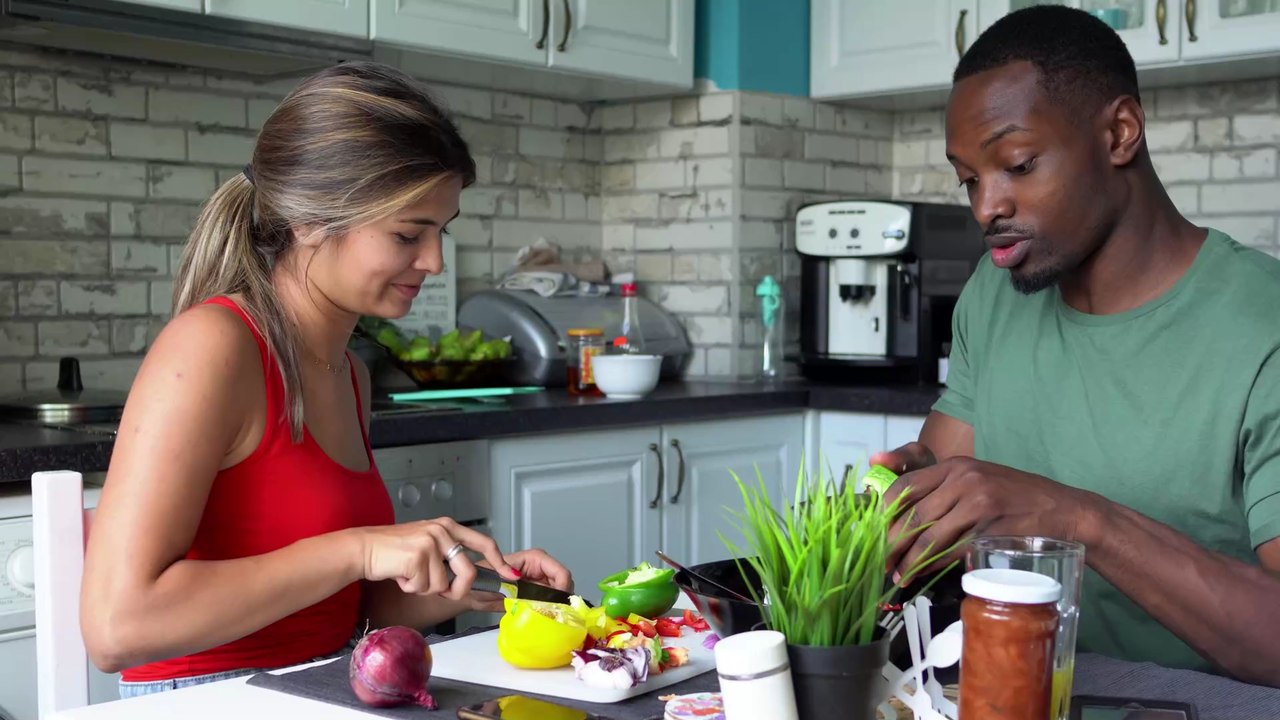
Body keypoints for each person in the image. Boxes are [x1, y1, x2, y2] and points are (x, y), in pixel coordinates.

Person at [80, 61, 572, 696]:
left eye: (440, 231)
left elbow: (332, 612)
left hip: (320, 682)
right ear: (310, 222)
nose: (435, 260)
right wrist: (359, 548)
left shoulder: (350, 372)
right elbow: (117, 628)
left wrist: (481, 587)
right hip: (209, 701)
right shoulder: (213, 348)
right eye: (407, 234)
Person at [871, 5, 1280, 686]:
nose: (985, 208)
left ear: (1119, 133)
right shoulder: (993, 295)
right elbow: (951, 504)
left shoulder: (1263, 324)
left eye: (1017, 165)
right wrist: (917, 499)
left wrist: (1080, 520)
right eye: (969, 179)